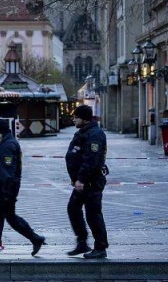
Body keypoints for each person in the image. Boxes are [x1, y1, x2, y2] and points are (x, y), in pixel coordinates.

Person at [0, 118, 45, 258]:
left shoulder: (8, 145)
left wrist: (5, 191)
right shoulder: (3, 143)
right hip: (5, 188)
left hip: (6, 188)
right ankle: (35, 238)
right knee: (11, 217)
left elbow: (8, 171)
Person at [65, 104, 109, 259]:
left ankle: (100, 247)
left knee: (93, 214)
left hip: (91, 181)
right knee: (73, 208)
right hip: (82, 181)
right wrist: (75, 178)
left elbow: (91, 160)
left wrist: (81, 179)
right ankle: (82, 242)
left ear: (83, 119)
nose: (73, 119)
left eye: (76, 117)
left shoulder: (94, 134)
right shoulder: (84, 132)